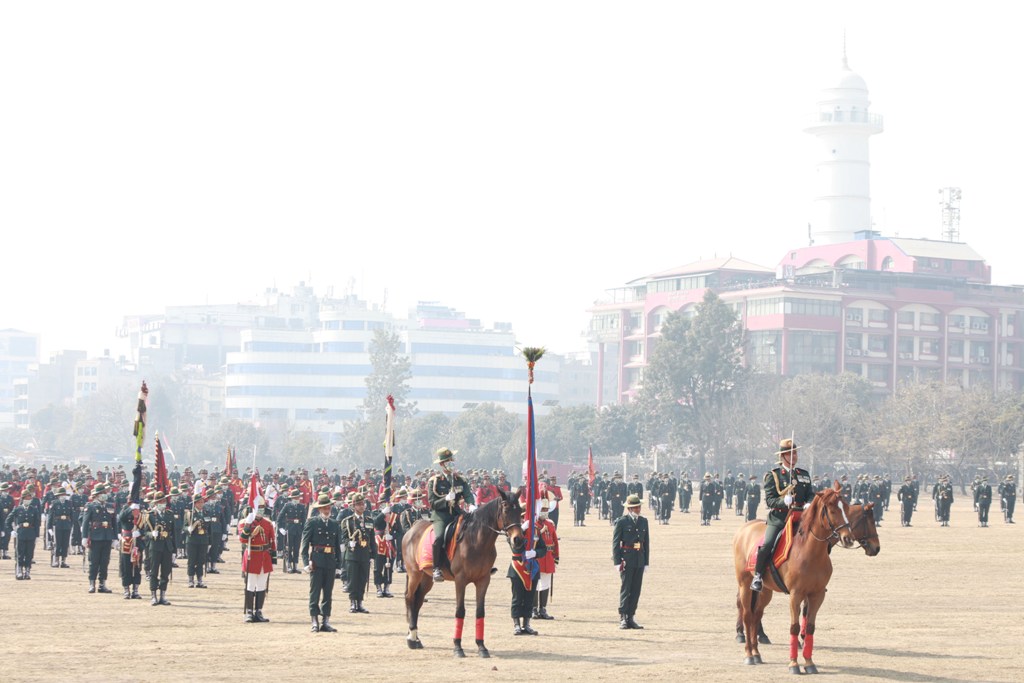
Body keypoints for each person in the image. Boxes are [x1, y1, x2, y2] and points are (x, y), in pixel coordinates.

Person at [750, 438, 814, 593]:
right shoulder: (774, 475)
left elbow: (810, 494)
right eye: (790, 454)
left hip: (801, 518)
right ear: (782, 456)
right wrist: (783, 502)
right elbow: (770, 500)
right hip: (780, 518)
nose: (794, 457)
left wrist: (808, 503)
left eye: (795, 453)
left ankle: (815, 576)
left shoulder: (803, 475)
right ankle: (758, 576)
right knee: (768, 544)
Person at [426, 448, 474, 582]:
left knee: (476, 528)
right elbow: (432, 503)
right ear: (441, 464)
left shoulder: (460, 479)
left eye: (451, 460)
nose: (450, 463)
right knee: (439, 537)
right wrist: (445, 499)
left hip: (457, 512)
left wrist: (471, 504)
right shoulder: (435, 481)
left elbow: (468, 494)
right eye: (447, 461)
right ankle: (436, 568)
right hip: (441, 515)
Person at [301, 492, 343, 632]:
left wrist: (339, 566)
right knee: (315, 592)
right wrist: (306, 563)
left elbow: (337, 547)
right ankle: (314, 620)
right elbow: (305, 544)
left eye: (328, 508)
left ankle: (326, 620)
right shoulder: (312, 522)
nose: (327, 510)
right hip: (316, 562)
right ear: (319, 509)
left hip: (330, 561)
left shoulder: (334, 524)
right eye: (325, 508)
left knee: (328, 593)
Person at [509, 503, 547, 636]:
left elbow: (543, 548)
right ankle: (517, 625)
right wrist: (522, 531)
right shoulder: (513, 531)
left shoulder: (535, 530)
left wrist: (535, 553)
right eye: (522, 517)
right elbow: (515, 546)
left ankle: (527, 624)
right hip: (518, 567)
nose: (524, 520)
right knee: (517, 598)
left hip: (532, 568)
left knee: (529, 598)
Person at [612, 494, 649, 629]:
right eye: (635, 507)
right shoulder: (622, 522)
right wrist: (617, 562)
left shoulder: (644, 521)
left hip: (639, 559)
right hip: (626, 560)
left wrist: (646, 562)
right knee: (626, 589)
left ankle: (631, 616)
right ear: (629, 509)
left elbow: (646, 543)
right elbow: (616, 543)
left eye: (638, 507)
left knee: (636, 590)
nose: (638, 509)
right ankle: (623, 617)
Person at [239, 496, 276, 623]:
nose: (260, 511)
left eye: (262, 508)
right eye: (258, 508)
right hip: (252, 555)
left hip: (264, 556)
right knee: (250, 585)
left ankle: (258, 611)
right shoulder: (245, 522)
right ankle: (249, 611)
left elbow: (272, 541)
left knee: (261, 585)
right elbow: (243, 539)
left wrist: (273, 558)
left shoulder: (268, 523)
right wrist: (248, 524)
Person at [81, 483, 118, 593]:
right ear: (96, 495)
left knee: (105, 562)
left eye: (105, 493)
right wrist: (84, 537)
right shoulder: (90, 506)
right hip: (95, 537)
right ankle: (92, 583)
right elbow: (85, 522)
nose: (104, 495)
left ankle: (102, 584)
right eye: (102, 493)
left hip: (107, 536)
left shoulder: (110, 506)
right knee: (94, 561)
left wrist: (115, 537)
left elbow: (114, 523)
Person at [342, 492, 373, 613]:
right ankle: (353, 602)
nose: (362, 506)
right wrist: (349, 543)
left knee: (362, 579)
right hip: (353, 554)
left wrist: (373, 555)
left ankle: (360, 602)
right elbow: (344, 537)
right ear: (354, 506)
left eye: (363, 504)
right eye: (359, 504)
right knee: (353, 579)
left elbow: (371, 539)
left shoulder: (369, 520)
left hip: (365, 554)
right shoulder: (348, 521)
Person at [145, 491, 176, 606]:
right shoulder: (150, 515)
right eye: (160, 501)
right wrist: (151, 534)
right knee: (154, 571)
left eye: (163, 501)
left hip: (167, 546)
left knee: (165, 571)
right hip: (155, 546)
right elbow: (145, 532)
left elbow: (173, 533)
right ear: (156, 503)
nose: (162, 503)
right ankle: (153, 595)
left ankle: (163, 595)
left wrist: (174, 551)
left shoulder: (169, 514)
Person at [532, 498, 559, 621]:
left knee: (546, 584)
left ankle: (543, 608)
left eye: (547, 510)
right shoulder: (534, 525)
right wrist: (539, 531)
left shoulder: (550, 524)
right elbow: (532, 541)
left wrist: (556, 557)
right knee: (535, 584)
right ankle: (534, 609)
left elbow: (555, 541)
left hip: (548, 557)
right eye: (543, 509)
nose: (545, 512)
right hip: (538, 557)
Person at [8, 490, 41, 580]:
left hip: (31, 533)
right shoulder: (17, 509)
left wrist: (37, 535)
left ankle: (27, 571)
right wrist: (12, 530)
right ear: (22, 499)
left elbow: (37, 523)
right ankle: (19, 571)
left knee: (29, 553)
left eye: (29, 498)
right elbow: (8, 520)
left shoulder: (34, 509)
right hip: (21, 533)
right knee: (20, 553)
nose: (28, 500)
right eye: (26, 498)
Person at [184, 492, 210, 588]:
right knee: (191, 560)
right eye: (199, 502)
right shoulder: (189, 514)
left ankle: (200, 580)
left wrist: (209, 542)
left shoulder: (206, 512)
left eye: (202, 502)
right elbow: (184, 527)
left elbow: (208, 527)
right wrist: (188, 529)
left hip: (203, 540)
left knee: (201, 560)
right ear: (195, 503)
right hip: (192, 540)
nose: (201, 504)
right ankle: (191, 580)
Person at [277, 489, 306, 574]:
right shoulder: (287, 506)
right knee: (289, 548)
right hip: (289, 528)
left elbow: (304, 520)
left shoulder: (302, 506)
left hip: (298, 529)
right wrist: (280, 528)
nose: (297, 498)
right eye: (296, 497)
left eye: (298, 497)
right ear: (292, 498)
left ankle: (295, 565)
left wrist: (304, 531)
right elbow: (280, 517)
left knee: (297, 548)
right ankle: (289, 565)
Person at [48, 486, 74, 568]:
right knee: (57, 543)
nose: (63, 496)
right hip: (57, 525)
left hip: (67, 525)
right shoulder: (54, 503)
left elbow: (72, 515)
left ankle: (63, 561)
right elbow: (50, 516)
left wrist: (71, 525)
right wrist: (49, 528)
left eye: (64, 495)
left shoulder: (69, 503)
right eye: (61, 495)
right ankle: (56, 560)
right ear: (58, 496)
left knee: (65, 543)